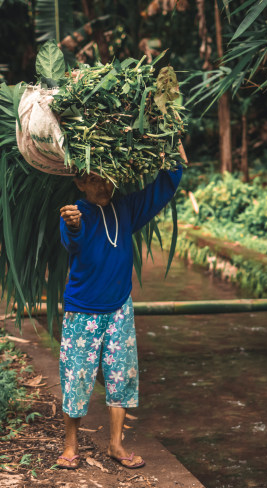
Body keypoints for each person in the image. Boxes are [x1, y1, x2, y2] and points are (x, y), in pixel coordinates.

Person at [56, 160, 184, 470]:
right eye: (95, 180)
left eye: (108, 179)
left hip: (119, 308)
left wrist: (175, 155)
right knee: (77, 377)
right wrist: (72, 226)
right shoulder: (76, 213)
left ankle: (115, 444)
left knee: (122, 376)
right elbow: (72, 240)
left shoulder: (126, 209)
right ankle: (70, 446)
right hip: (83, 310)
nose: (104, 186)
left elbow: (162, 189)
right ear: (80, 183)